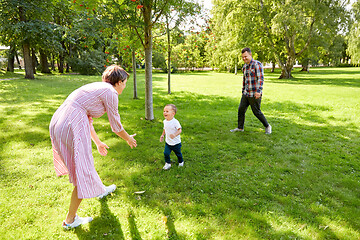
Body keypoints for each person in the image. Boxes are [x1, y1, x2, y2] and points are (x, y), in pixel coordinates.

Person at [49, 65, 137, 230]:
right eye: (125, 82)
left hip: (60, 120)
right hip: (71, 124)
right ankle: (70, 220)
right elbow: (116, 126)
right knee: (81, 169)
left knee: (84, 164)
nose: (125, 86)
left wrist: (97, 142)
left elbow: (86, 117)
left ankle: (100, 190)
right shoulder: (110, 92)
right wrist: (128, 139)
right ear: (118, 82)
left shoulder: (98, 87)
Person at [230, 47, 271, 134]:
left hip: (255, 93)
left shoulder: (257, 64)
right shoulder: (244, 67)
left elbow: (260, 79)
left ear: (250, 55)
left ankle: (267, 126)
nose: (244, 58)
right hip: (246, 93)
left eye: (246, 56)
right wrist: (243, 91)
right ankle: (240, 128)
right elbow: (244, 80)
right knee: (241, 110)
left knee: (256, 112)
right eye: (243, 57)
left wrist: (259, 91)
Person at [159, 104, 183, 170]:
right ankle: (168, 163)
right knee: (166, 153)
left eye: (167, 111)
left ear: (173, 113)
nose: (164, 113)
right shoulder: (165, 121)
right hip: (168, 142)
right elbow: (165, 129)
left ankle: (181, 162)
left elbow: (180, 130)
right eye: (164, 111)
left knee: (178, 154)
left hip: (176, 143)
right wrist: (162, 135)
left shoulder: (175, 122)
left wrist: (175, 134)